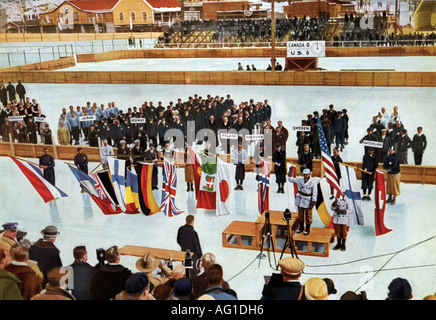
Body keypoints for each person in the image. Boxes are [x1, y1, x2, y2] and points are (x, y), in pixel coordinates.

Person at [287, 168, 318, 235]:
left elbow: (315, 192)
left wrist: (313, 202)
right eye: (304, 174)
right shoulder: (299, 179)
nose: (305, 176)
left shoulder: (313, 182)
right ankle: (301, 227)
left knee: (308, 215)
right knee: (300, 215)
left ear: (309, 174)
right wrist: (290, 173)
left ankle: (307, 228)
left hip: (308, 200)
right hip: (300, 198)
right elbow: (291, 179)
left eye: (306, 174)